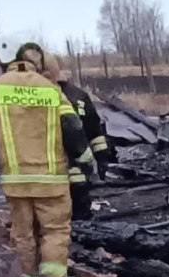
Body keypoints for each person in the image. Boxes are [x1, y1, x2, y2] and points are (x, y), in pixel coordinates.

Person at [0, 44, 90, 277]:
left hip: (15, 180)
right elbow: (73, 128)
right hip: (51, 180)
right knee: (55, 230)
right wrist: (85, 161)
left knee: (23, 232)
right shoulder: (49, 89)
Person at [14, 43, 116, 220]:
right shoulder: (79, 96)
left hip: (43, 180)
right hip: (74, 176)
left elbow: (93, 133)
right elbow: (95, 133)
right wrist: (102, 161)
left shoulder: (27, 100)